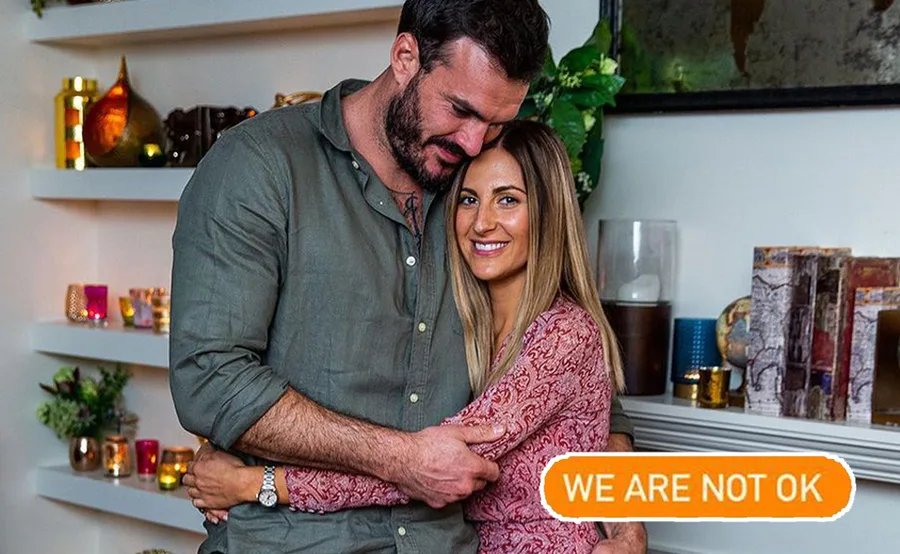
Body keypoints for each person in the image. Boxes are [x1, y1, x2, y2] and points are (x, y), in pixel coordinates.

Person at [170, 0, 646, 552]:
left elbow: (589, 395)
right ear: (405, 56)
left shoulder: (473, 190)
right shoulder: (261, 166)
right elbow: (210, 378)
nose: (473, 142)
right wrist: (402, 459)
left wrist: (626, 530)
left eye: (496, 123)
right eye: (460, 109)